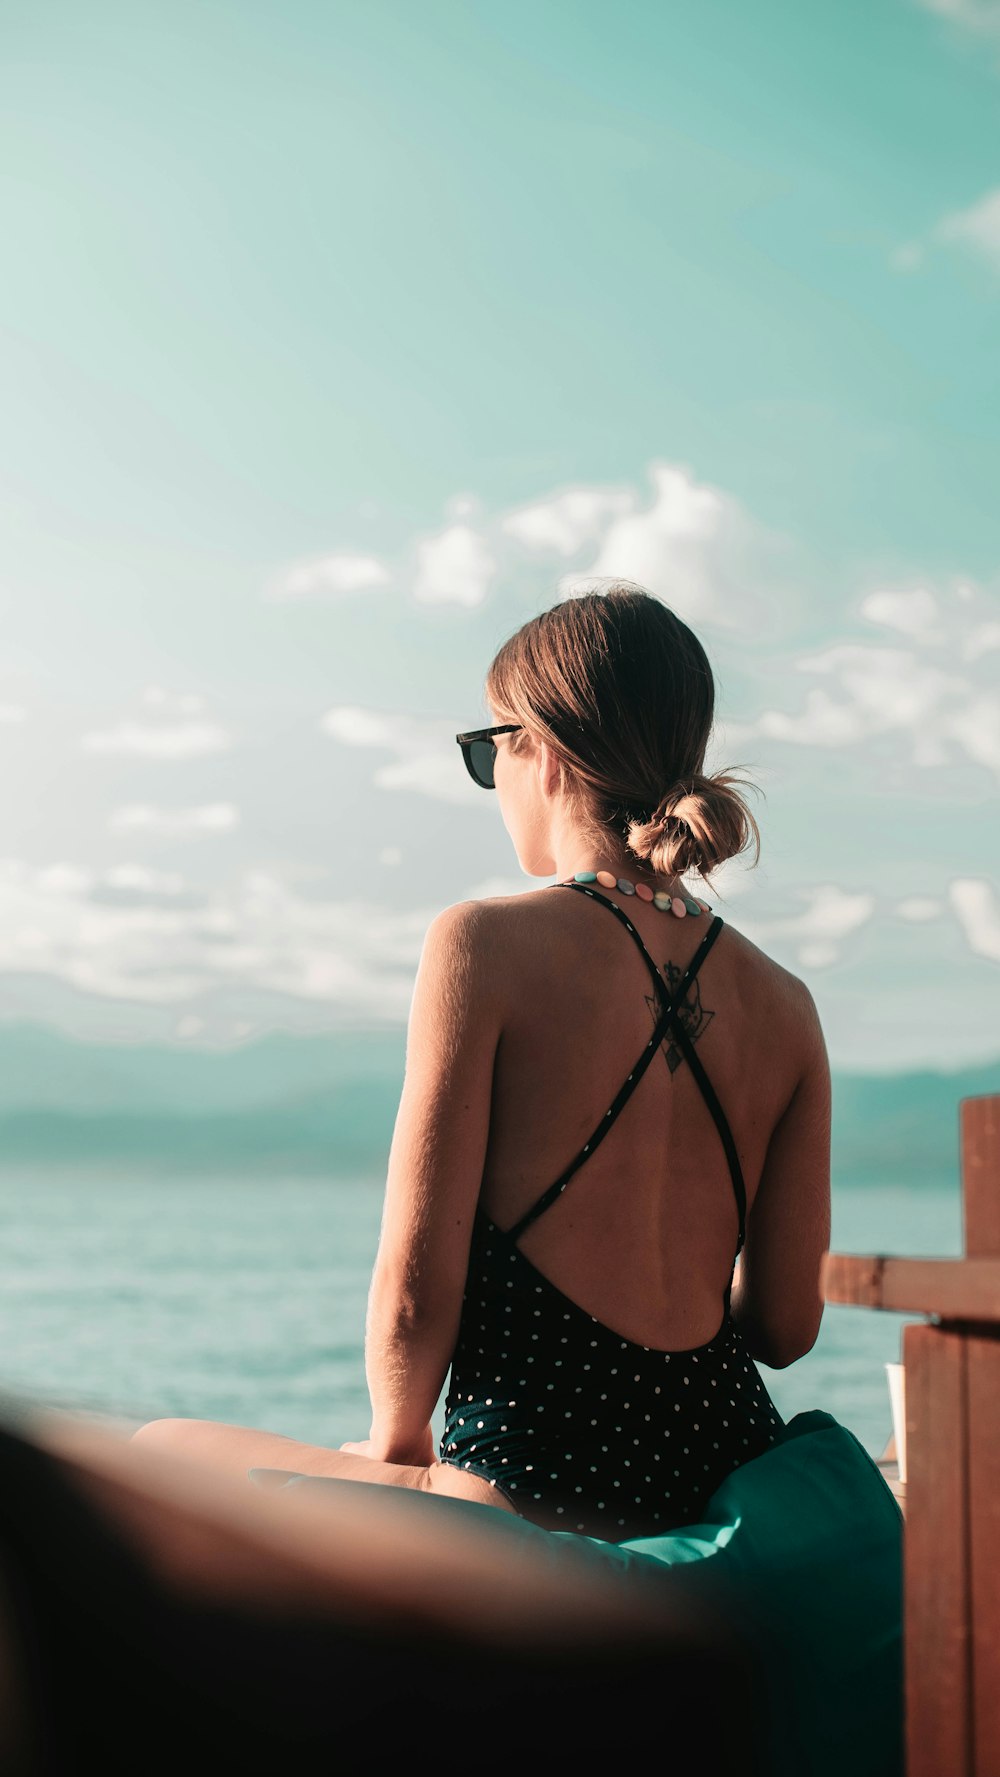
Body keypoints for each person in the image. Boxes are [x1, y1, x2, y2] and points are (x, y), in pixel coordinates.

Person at [134, 581, 832, 1543]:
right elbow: (786, 1330)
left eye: (484, 751)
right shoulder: (788, 1006)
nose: (490, 778)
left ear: (538, 751)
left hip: (533, 1486)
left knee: (158, 1448)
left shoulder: (483, 946)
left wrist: (393, 1445)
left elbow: (418, 1285)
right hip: (717, 1477)